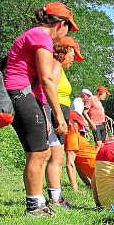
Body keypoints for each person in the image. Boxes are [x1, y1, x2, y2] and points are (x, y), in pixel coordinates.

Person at [3, 1, 78, 217]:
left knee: (42, 152)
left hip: (28, 96)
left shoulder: (36, 35)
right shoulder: (41, 37)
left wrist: (45, 114)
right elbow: (46, 79)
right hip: (22, 94)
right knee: (37, 154)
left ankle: (38, 202)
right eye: (69, 28)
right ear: (61, 24)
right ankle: (34, 207)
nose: (65, 34)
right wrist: (58, 117)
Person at [44, 35, 83, 207]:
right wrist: (55, 117)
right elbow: (46, 88)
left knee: (56, 158)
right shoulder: (55, 65)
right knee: (56, 158)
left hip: (57, 115)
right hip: (54, 115)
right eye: (73, 55)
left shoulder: (57, 66)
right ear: (65, 51)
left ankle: (55, 196)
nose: (73, 60)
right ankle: (54, 199)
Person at [65, 110, 97, 189]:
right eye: (78, 124)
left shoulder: (74, 136)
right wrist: (75, 188)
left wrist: (89, 184)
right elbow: (70, 164)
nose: (80, 127)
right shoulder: (71, 137)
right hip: (101, 172)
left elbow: (78, 166)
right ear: (70, 122)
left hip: (100, 171)